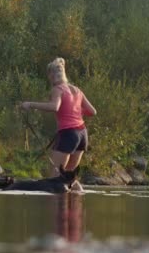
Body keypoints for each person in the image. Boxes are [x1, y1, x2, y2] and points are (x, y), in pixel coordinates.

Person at [20, 58, 96, 192]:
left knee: (55, 178)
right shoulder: (77, 90)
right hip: (82, 134)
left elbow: (55, 107)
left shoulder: (57, 89)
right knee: (70, 177)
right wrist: (75, 111)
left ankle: (56, 211)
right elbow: (92, 112)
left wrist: (30, 104)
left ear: (50, 75)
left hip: (68, 134)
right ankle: (77, 207)